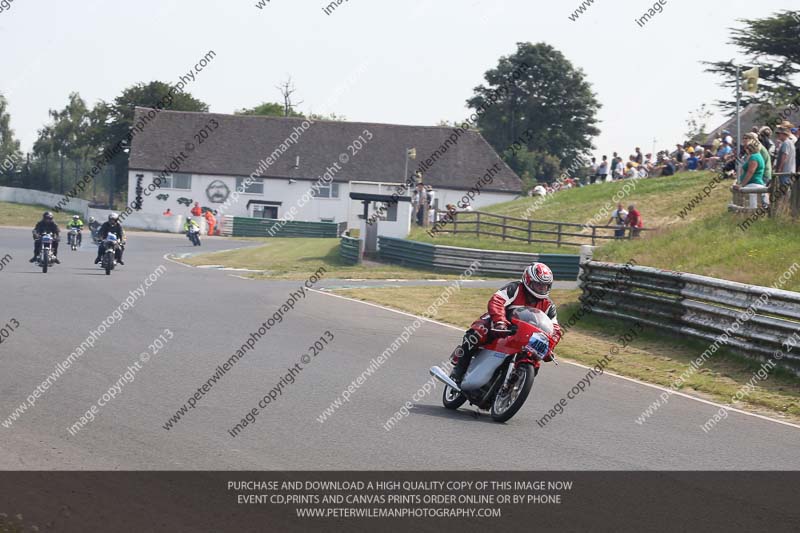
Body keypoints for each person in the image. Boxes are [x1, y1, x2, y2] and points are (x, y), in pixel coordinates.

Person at [449, 263, 562, 383]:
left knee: (534, 361)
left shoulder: (548, 306)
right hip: (501, 324)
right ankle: (459, 369)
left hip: (527, 335)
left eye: (545, 286)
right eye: (538, 285)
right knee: (476, 334)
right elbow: (496, 301)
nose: (541, 289)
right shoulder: (515, 288)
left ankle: (513, 387)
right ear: (528, 281)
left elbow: (555, 328)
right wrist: (500, 322)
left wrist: (549, 346)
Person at [733, 136, 766, 208]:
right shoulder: (756, 156)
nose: (746, 149)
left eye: (747, 147)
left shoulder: (754, 157)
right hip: (753, 184)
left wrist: (742, 185)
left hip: (753, 184)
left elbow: (750, 172)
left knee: (752, 207)